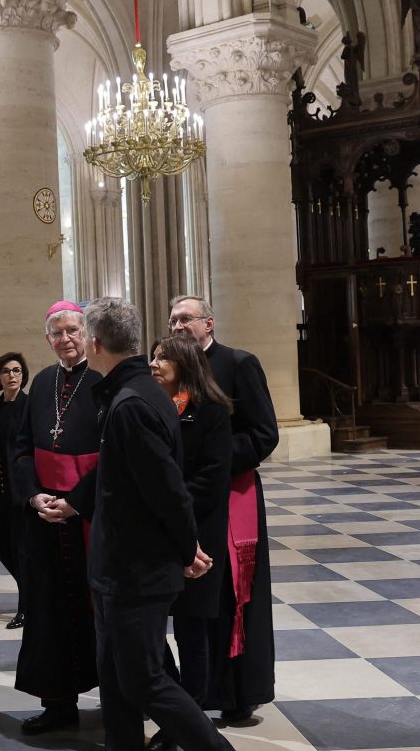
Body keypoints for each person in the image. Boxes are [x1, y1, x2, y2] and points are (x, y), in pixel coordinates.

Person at [85, 297, 233, 751]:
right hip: (121, 565)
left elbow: (167, 489)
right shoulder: (143, 394)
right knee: (114, 679)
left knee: (146, 681)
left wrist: (186, 548)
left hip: (136, 568)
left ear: (94, 344)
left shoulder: (132, 403)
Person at [169, 295, 279, 722]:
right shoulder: (171, 369)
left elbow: (263, 434)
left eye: (186, 319)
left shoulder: (238, 363)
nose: (178, 327)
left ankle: (237, 692)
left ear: (209, 323)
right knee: (193, 596)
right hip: (185, 494)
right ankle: (196, 690)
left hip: (232, 496)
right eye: (173, 320)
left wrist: (211, 461)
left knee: (233, 593)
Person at [10, 300, 102, 735]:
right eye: (57, 333)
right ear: (47, 340)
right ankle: (59, 705)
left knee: (101, 612)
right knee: (48, 614)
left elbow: (116, 456)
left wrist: (77, 500)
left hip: (91, 517)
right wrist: (32, 497)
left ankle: (127, 700)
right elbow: (22, 447)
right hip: (45, 520)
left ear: (87, 335)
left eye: (73, 331)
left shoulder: (103, 380)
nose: (65, 339)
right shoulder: (43, 382)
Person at [147, 334, 234, 751]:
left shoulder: (211, 412)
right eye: (153, 356)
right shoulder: (149, 406)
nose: (155, 363)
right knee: (148, 628)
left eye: (164, 358)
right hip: (157, 533)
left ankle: (190, 718)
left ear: (185, 364)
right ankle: (177, 707)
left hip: (199, 533)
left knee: (191, 630)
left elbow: (212, 478)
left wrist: (172, 507)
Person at [0, 351, 31, 630]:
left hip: (22, 490)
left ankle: (26, 605)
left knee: (21, 549)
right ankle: (32, 590)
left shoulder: (30, 405)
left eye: (16, 371)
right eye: (6, 371)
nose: (12, 376)